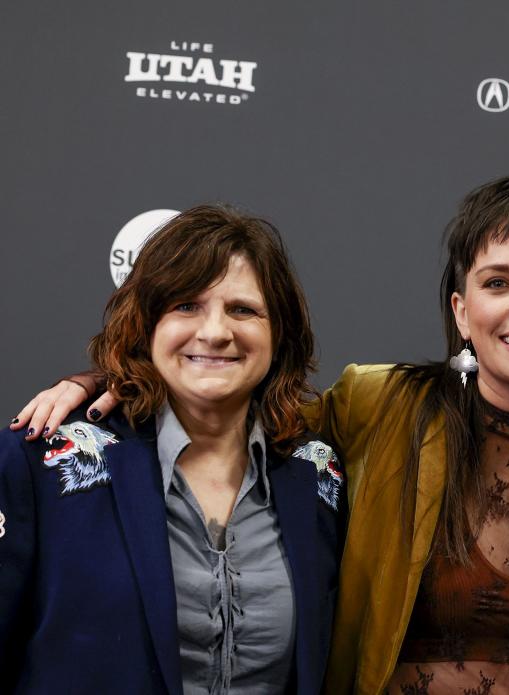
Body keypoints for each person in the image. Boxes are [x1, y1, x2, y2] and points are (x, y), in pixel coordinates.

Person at [11, 175, 509, 694]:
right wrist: (109, 377)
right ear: (461, 311)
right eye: (496, 282)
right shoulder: (381, 405)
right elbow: (232, 399)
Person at [0, 205, 346, 694]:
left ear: (279, 333)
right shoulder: (44, 460)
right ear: (145, 324)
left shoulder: (319, 474)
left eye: (242, 309)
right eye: (186, 306)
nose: (215, 332)